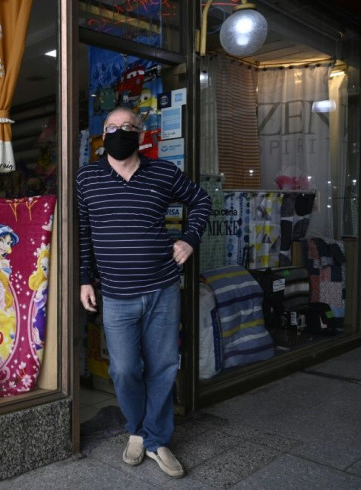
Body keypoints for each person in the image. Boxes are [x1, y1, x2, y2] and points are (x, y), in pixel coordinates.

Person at [77, 107, 210, 479]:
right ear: (102, 135)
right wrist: (84, 278)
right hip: (117, 294)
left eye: (127, 127)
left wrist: (188, 239)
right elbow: (84, 233)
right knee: (123, 370)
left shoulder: (163, 172)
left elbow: (201, 201)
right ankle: (136, 429)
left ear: (141, 133)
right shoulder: (87, 177)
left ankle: (156, 438)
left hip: (163, 288)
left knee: (164, 367)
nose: (119, 132)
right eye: (111, 128)